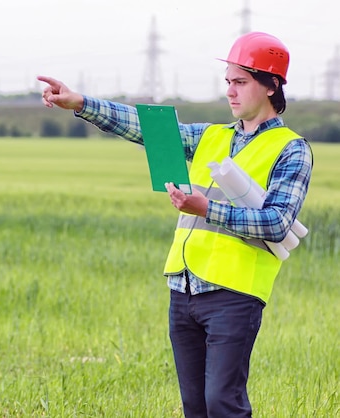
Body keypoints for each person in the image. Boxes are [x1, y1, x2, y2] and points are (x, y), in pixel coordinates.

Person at [38, 31, 313, 418]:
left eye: (240, 82)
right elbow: (144, 129)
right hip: (183, 290)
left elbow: (276, 222)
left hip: (234, 295)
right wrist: (80, 103)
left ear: (271, 85)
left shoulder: (291, 149)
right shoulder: (211, 136)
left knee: (223, 404)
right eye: (228, 82)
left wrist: (206, 209)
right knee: (195, 407)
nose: (230, 92)